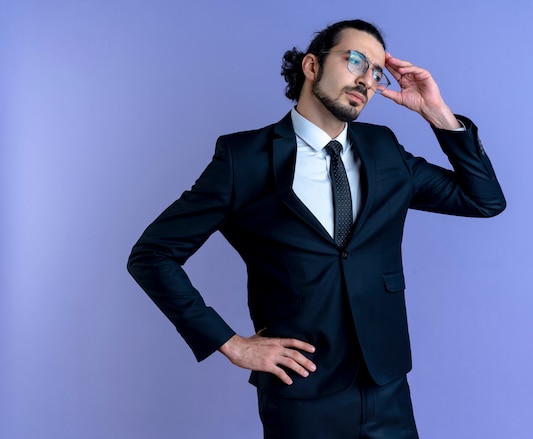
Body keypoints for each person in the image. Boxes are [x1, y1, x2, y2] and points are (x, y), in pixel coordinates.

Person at [128, 18, 505, 439]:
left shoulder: (384, 150)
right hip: (300, 396)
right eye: (356, 61)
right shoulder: (243, 159)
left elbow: (484, 199)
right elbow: (152, 254)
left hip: (386, 389)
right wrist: (229, 342)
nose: (367, 79)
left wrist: (438, 114)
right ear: (312, 66)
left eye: (377, 72)